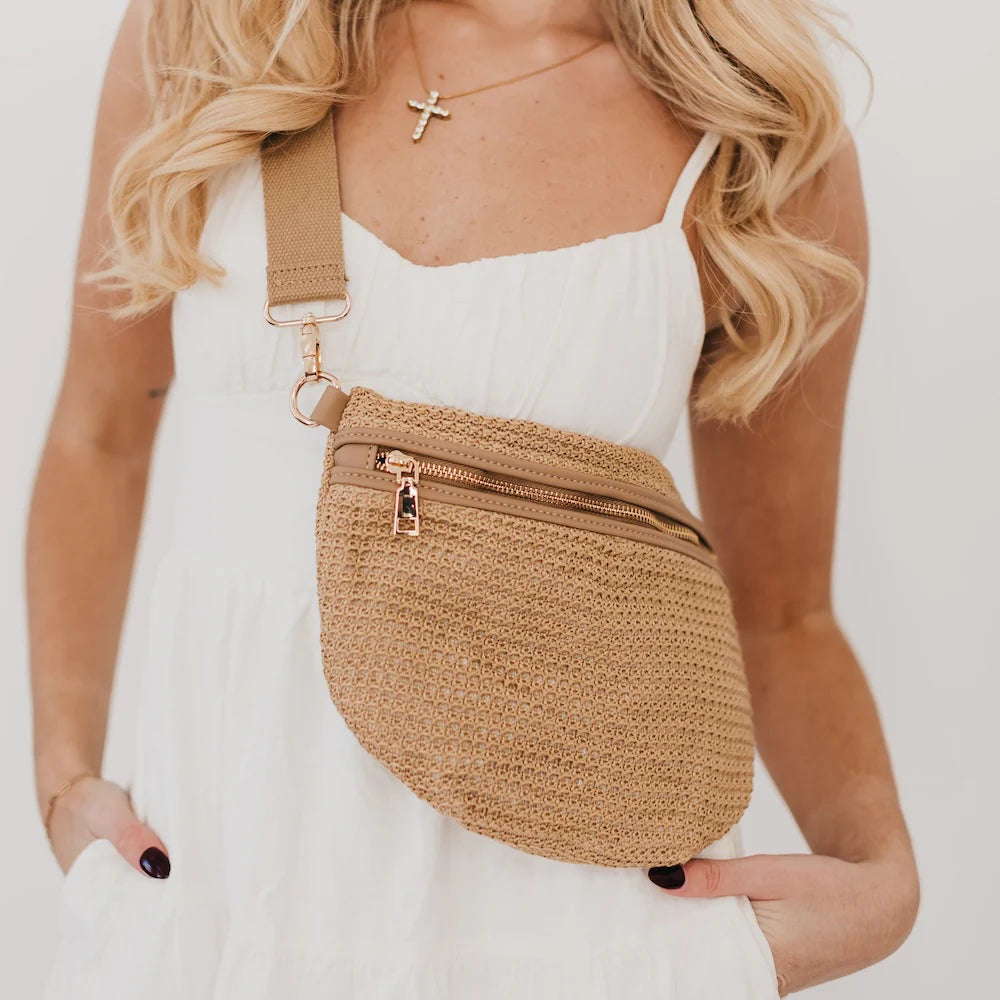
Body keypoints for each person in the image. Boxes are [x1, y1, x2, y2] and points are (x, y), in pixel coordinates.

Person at [28, 1, 919, 997]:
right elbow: (96, 440)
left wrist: (881, 876)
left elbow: (783, 614)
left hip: (575, 937)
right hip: (220, 897)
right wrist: (62, 780)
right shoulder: (222, 30)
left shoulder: (755, 130)